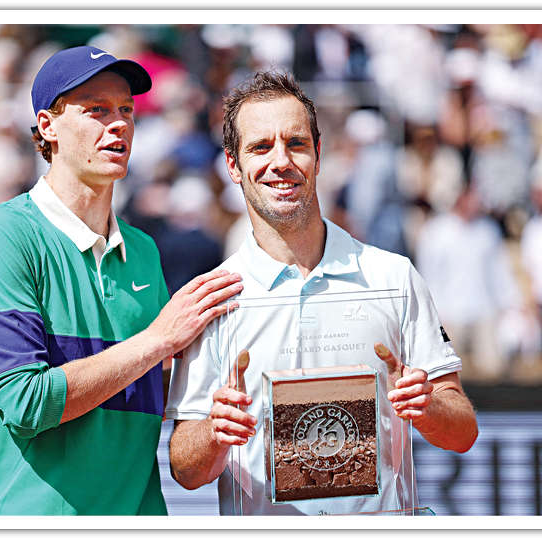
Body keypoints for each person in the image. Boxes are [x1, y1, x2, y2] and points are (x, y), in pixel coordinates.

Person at [165, 71, 478, 515]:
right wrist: (215, 431)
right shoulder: (212, 297)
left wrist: (428, 407)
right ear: (233, 165)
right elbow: (186, 470)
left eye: (295, 143)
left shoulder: (394, 278)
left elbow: (463, 433)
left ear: (318, 154)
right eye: (260, 147)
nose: (280, 161)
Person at [0, 46, 242, 515]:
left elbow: (149, 387)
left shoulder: (144, 251)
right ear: (47, 126)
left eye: (126, 110)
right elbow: (26, 403)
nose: (119, 123)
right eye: (97, 110)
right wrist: (158, 341)